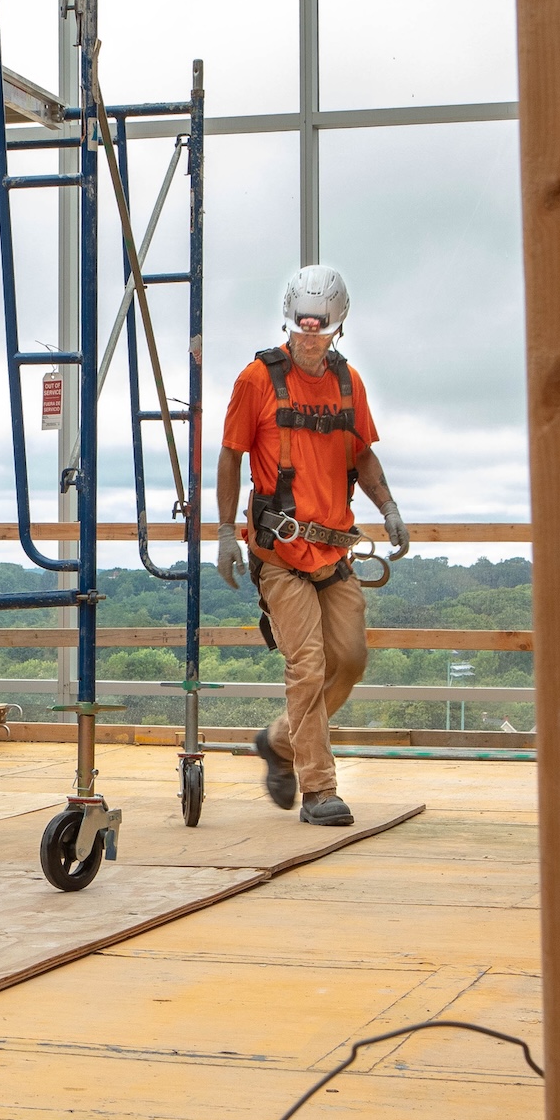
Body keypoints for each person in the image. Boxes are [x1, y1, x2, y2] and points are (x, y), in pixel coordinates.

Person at [214, 265, 409, 826]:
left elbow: (362, 453)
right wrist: (228, 532)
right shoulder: (257, 380)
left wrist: (388, 509)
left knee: (348, 661)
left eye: (318, 335)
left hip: (334, 551)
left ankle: (278, 741)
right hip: (280, 553)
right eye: (300, 333)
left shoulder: (349, 383)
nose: (308, 343)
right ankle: (318, 788)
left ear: (337, 329)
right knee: (307, 664)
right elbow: (231, 454)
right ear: (288, 324)